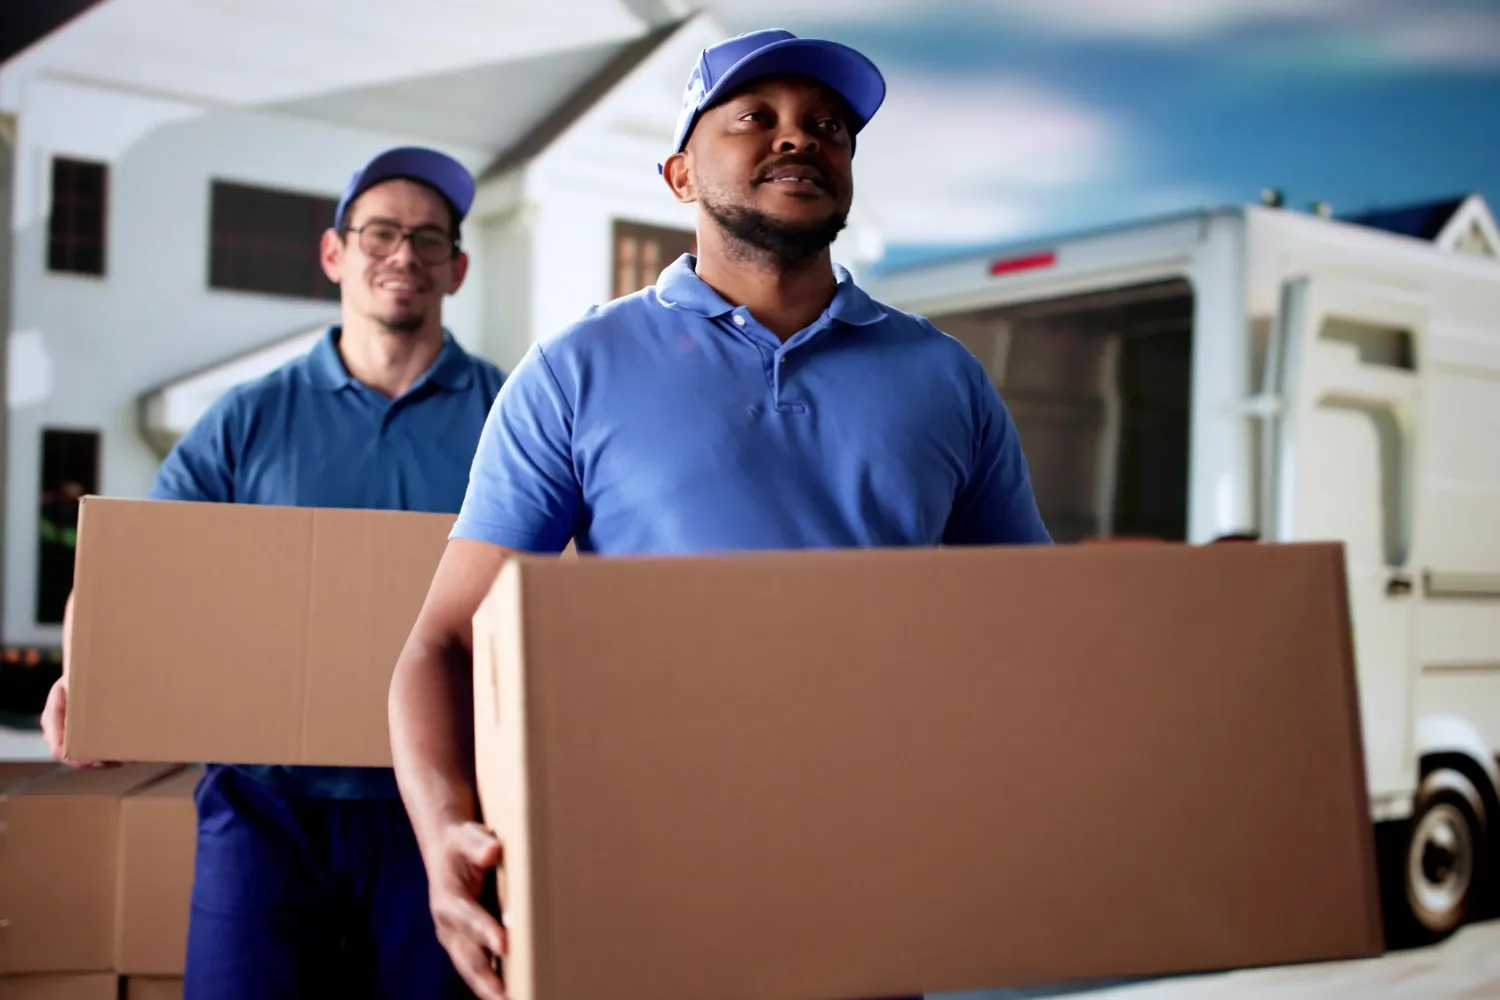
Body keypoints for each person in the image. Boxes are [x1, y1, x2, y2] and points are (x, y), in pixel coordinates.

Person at [388, 28, 1052, 1000]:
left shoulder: (944, 380)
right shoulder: (576, 371)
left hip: (874, 883)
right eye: (756, 118)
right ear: (679, 175)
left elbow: (1032, 631)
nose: (799, 138)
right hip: (642, 876)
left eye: (827, 125)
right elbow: (440, 644)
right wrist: (446, 825)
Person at [41, 145, 507, 999]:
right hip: (266, 805)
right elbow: (135, 575)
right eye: (380, 234)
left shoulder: (509, 418)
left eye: (430, 239)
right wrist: (87, 671)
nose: (404, 254)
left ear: (458, 267)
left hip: (441, 806)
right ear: (335, 254)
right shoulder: (249, 419)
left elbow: (562, 584)